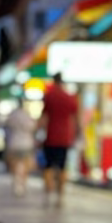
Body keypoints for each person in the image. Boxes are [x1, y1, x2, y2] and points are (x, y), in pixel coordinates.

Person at [38, 73, 79, 207]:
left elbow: (44, 117)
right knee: (62, 167)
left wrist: (37, 133)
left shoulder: (49, 96)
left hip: (50, 137)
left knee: (48, 166)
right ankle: (60, 196)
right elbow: (75, 118)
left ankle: (47, 194)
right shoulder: (69, 97)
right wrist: (77, 133)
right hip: (65, 137)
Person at [4, 98, 37, 197]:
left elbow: (7, 126)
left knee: (14, 165)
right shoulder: (28, 115)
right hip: (26, 143)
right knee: (25, 166)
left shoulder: (13, 115)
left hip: (14, 142)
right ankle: (23, 184)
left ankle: (16, 182)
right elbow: (33, 127)